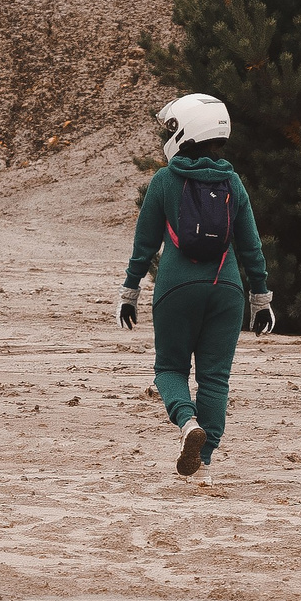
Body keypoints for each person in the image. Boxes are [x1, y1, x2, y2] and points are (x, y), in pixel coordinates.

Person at [117, 94, 274, 480]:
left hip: (176, 288)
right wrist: (261, 299)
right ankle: (204, 461)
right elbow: (251, 246)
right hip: (227, 289)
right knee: (215, 377)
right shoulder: (232, 183)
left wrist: (130, 292)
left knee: (170, 367)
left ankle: (188, 424)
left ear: (185, 132)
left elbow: (145, 244)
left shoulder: (166, 181)